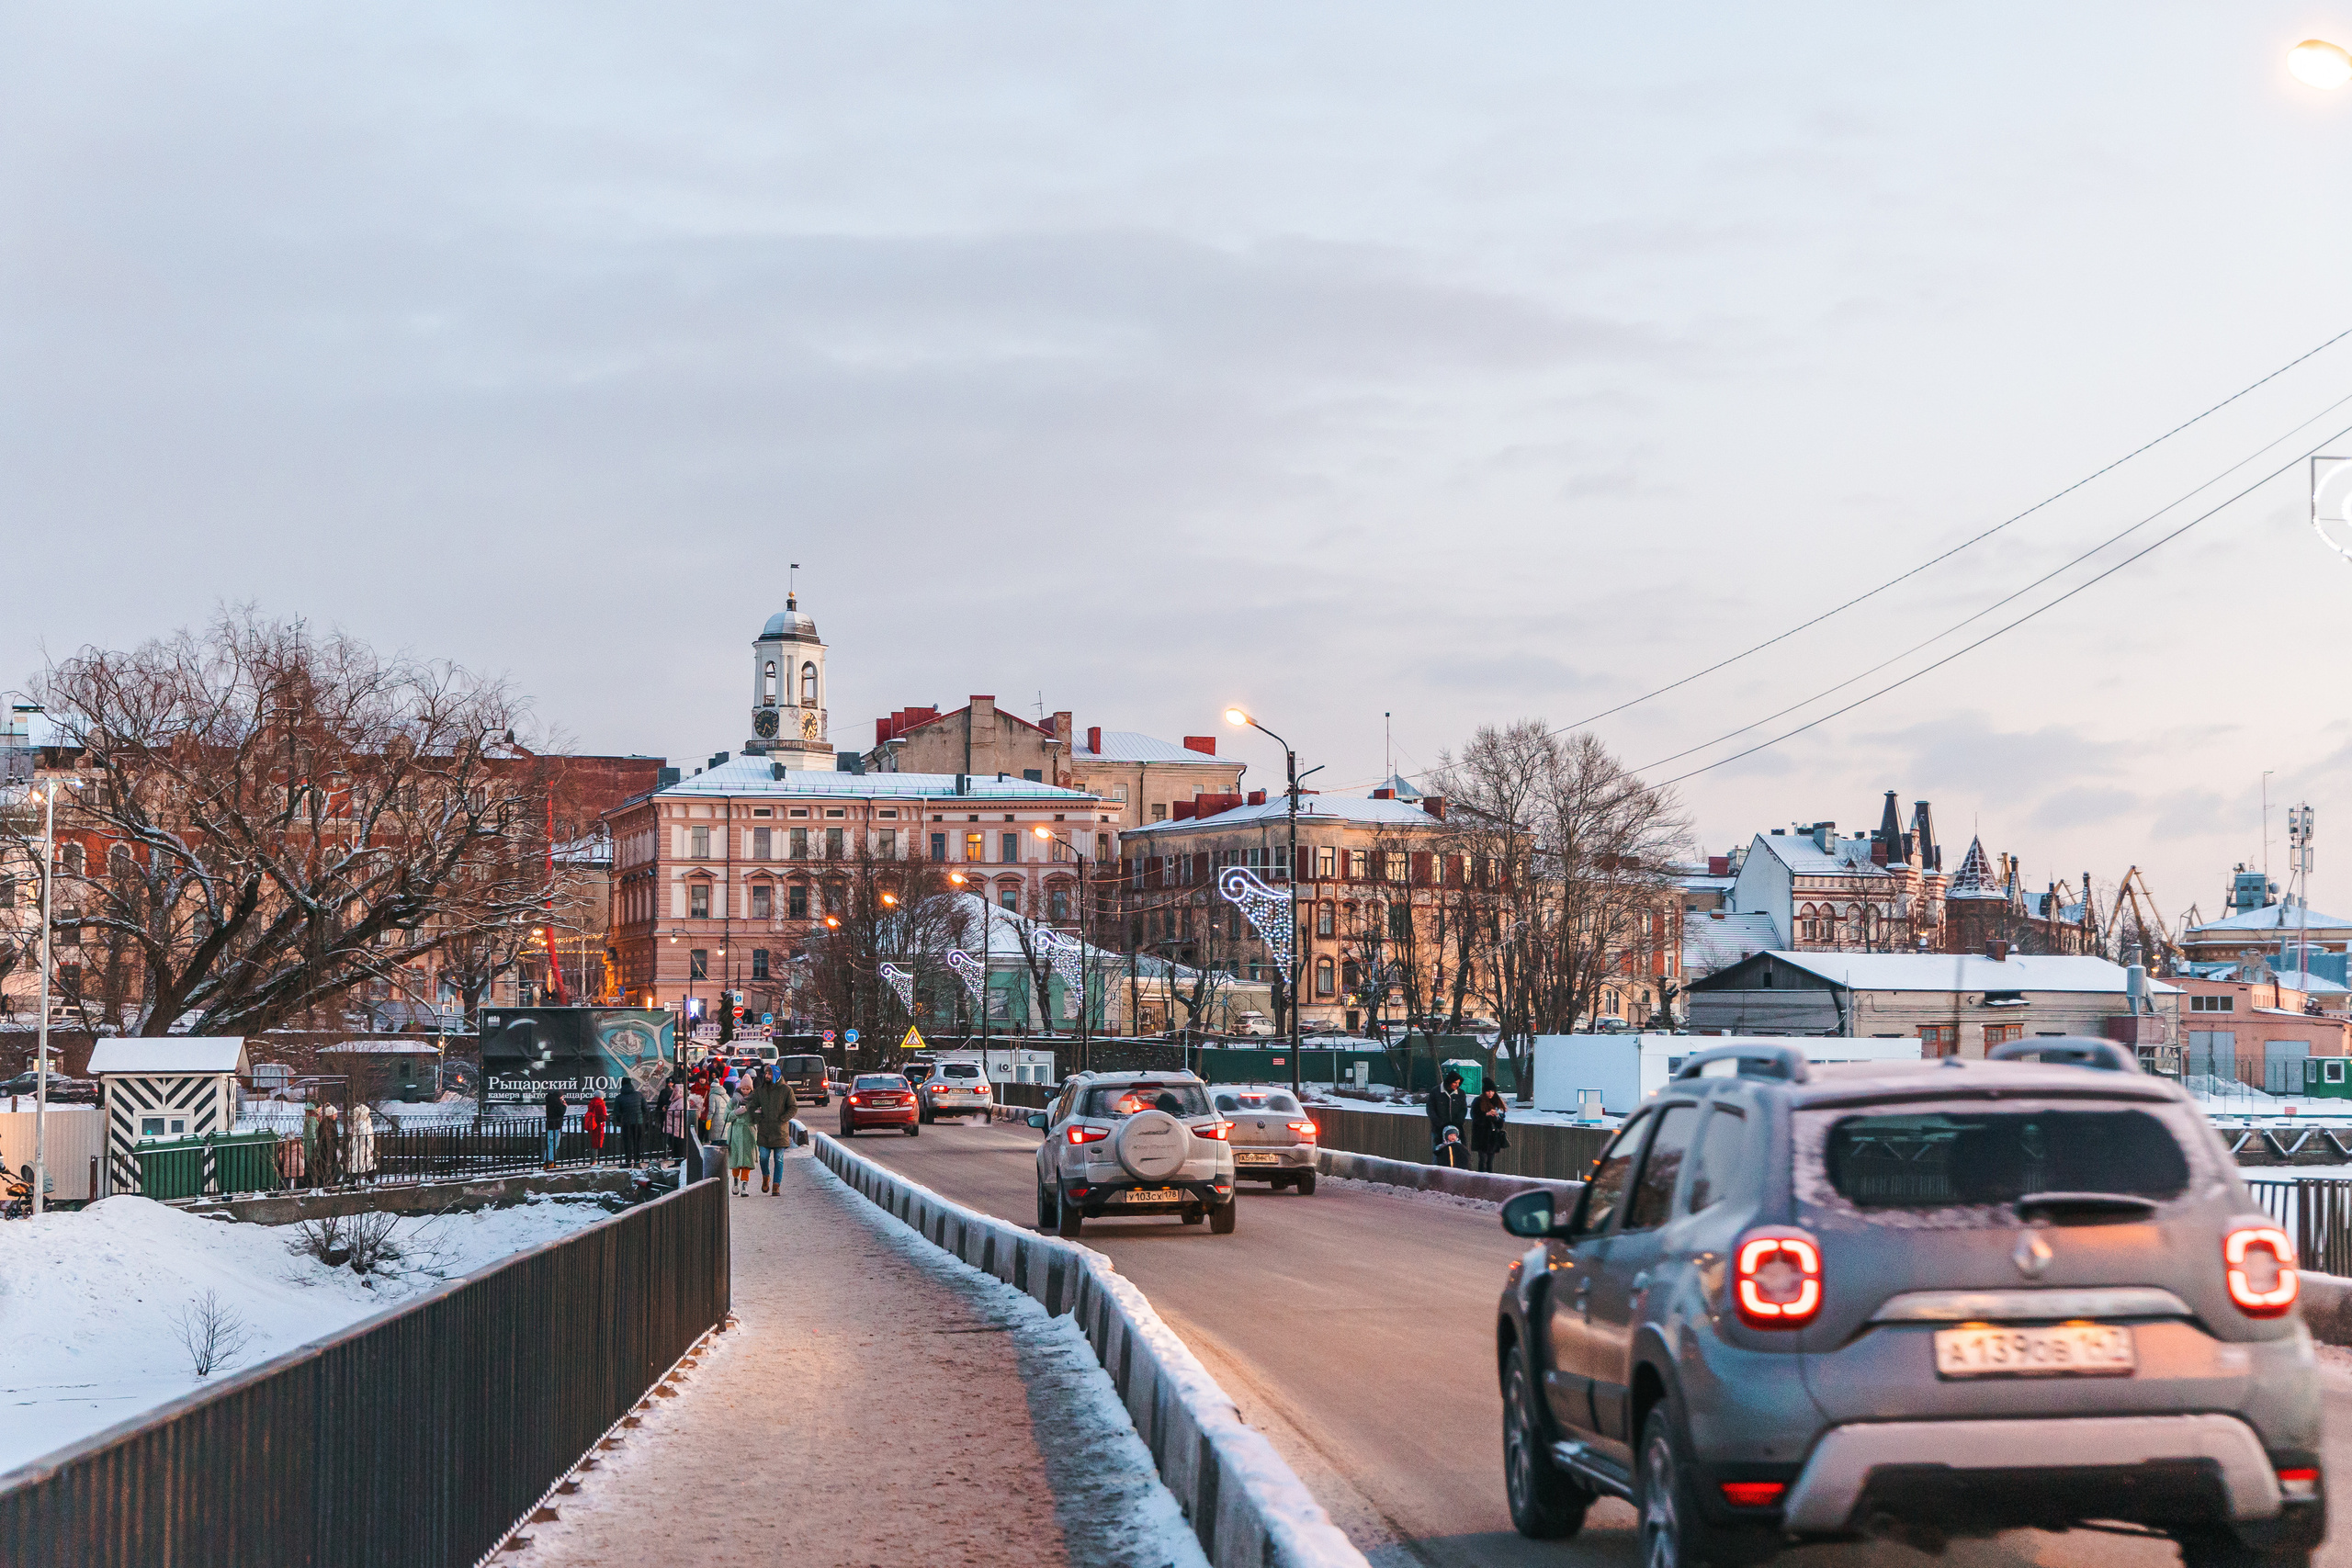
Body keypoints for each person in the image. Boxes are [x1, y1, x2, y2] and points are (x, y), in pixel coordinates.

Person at [748, 1062, 797, 1195]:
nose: (767, 1076)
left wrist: (783, 1118)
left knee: (778, 1159)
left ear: (775, 1075)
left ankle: (776, 1185)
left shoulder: (786, 1090)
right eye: (766, 1073)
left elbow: (793, 1107)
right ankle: (766, 1177)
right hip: (764, 1130)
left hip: (780, 1131)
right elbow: (752, 1107)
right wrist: (759, 1118)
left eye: (769, 1073)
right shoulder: (760, 1091)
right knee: (763, 1158)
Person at [1426, 1069, 1469, 1158]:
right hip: (1439, 1129)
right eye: (1455, 1083)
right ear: (1449, 1082)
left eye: (1458, 1083)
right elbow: (1430, 1109)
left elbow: (1463, 1109)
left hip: (1456, 1129)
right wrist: (1439, 1123)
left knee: (1459, 1155)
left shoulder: (1461, 1093)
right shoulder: (1435, 1092)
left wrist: (1458, 1122)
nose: (1457, 1085)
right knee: (1438, 1154)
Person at [724, 1083, 757, 1195]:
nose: (745, 1091)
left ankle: (744, 1184)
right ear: (740, 1088)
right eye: (743, 1088)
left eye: (748, 1089)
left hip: (749, 1132)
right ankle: (735, 1180)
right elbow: (726, 1117)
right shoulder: (733, 1101)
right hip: (736, 1133)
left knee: (747, 1160)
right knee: (735, 1158)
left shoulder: (755, 1101)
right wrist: (736, 1112)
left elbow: (759, 1119)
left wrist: (757, 1113)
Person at [1470, 1086, 1510, 1175]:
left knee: (1490, 1162)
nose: (1490, 1093)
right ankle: (1481, 1179)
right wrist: (1486, 1114)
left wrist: (1497, 1116)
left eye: (1492, 1091)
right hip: (1481, 1135)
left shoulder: (1497, 1101)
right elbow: (1475, 1117)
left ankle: (1489, 1179)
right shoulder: (1478, 1101)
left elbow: (1501, 1122)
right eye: (1488, 1091)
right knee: (1482, 1160)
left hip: (1493, 1136)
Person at [616, 1077, 647, 1166]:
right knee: (638, 1143)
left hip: (626, 1122)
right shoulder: (639, 1095)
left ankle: (628, 1162)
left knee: (627, 1143)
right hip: (638, 1122)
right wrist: (641, 1117)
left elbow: (617, 1112)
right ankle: (637, 1162)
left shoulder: (619, 1097)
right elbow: (645, 1108)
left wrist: (619, 1121)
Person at [543, 1086, 567, 1168]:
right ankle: (551, 1162)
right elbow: (560, 1113)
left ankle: (546, 1161)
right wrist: (564, 1106)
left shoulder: (550, 1100)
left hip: (550, 1125)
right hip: (556, 1125)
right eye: (562, 1097)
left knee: (549, 1144)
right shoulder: (557, 1103)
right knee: (554, 1144)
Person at [585, 1093, 610, 1162]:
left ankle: (593, 1159)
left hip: (592, 1124)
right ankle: (594, 1159)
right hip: (599, 1125)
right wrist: (607, 1116)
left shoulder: (591, 1103)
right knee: (597, 1142)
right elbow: (603, 1117)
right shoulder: (601, 1104)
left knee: (593, 1142)